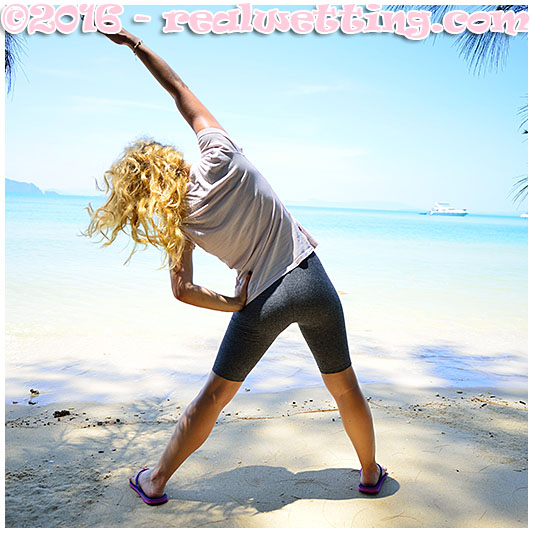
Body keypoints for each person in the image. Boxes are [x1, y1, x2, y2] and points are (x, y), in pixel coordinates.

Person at [87, 26, 388, 505]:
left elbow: (183, 290)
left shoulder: (179, 224)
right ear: (169, 158)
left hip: (261, 301)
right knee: (345, 387)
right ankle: (370, 474)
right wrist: (137, 46)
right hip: (311, 278)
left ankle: (157, 481)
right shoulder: (219, 153)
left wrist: (234, 303)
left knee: (215, 395)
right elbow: (179, 91)